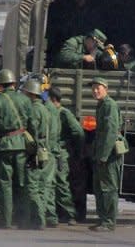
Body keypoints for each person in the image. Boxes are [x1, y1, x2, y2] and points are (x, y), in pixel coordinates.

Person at [0, 69, 33, 229]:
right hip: (23, 145)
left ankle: (6, 220)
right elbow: (32, 125)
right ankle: (23, 220)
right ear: (14, 83)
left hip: (4, 146)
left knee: (5, 184)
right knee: (22, 183)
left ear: (0, 85)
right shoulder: (25, 100)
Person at [89, 77, 123, 232]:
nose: (95, 91)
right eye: (94, 88)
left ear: (106, 89)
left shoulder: (109, 105)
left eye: (98, 88)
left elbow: (110, 133)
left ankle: (109, 222)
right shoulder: (101, 105)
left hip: (108, 154)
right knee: (99, 188)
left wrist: (103, 156)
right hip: (102, 153)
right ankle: (103, 220)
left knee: (108, 188)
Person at [21, 79, 53, 230]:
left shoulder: (34, 109)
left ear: (30, 94)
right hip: (46, 150)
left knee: (32, 186)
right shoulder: (45, 108)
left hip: (37, 151)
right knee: (43, 187)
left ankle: (39, 220)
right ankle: (39, 218)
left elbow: (33, 130)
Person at [49, 86, 82, 225]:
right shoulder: (52, 112)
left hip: (61, 153)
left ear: (53, 99)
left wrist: (76, 151)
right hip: (54, 152)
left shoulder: (64, 113)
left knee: (62, 184)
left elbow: (78, 132)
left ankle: (70, 214)